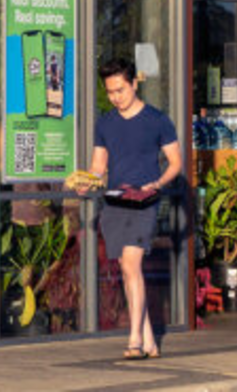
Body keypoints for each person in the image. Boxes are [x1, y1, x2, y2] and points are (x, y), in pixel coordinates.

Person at [91, 57, 181, 361]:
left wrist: (157, 183)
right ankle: (150, 340)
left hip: (144, 202)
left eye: (120, 90)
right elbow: (98, 166)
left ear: (134, 84)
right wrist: (88, 181)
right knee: (126, 269)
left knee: (131, 264)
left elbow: (176, 163)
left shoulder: (157, 120)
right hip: (115, 202)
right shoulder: (105, 123)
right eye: (110, 92)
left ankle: (134, 340)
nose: (115, 97)